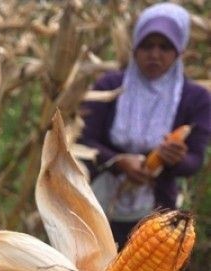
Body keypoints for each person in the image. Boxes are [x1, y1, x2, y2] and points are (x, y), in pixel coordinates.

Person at [78, 2, 210, 248]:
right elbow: (84, 140)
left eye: (165, 47)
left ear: (179, 51)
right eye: (147, 46)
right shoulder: (109, 86)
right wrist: (118, 161)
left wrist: (175, 159)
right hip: (98, 206)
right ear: (135, 48)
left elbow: (195, 160)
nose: (155, 54)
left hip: (157, 215)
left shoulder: (197, 99)